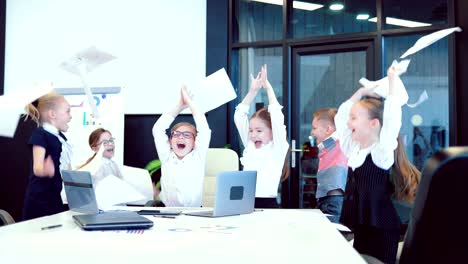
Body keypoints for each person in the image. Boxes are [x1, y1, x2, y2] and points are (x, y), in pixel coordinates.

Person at [335, 66, 419, 264]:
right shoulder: (353, 149)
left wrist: (391, 80)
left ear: (373, 123)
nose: (348, 123)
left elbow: (391, 118)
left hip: (382, 228)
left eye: (354, 118)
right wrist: (361, 93)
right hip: (362, 225)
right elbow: (340, 118)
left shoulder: (381, 152)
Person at [234, 64, 289, 208]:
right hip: (244, 201)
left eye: (259, 131)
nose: (253, 135)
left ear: (272, 132)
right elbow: (239, 116)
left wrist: (268, 89)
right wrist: (253, 91)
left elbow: (277, 118)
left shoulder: (278, 148)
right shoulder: (250, 145)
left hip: (267, 203)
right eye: (251, 130)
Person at [152, 85, 211, 207]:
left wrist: (190, 103)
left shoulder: (198, 157)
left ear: (195, 143)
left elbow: (204, 130)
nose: (181, 137)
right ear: (170, 141)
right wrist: (179, 106)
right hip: (167, 213)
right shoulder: (166, 157)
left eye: (187, 135)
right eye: (176, 134)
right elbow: (158, 129)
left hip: (193, 213)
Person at [22, 91, 72, 220]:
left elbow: (65, 165)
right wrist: (46, 170)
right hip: (39, 200)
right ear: (52, 114)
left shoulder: (60, 137)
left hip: (54, 197)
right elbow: (37, 168)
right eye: (67, 111)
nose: (70, 116)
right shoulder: (41, 135)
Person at [310, 108, 348, 223]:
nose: (312, 132)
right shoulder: (326, 146)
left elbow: (342, 126)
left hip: (334, 201)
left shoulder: (339, 141)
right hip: (325, 199)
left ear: (328, 129)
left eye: (314, 128)